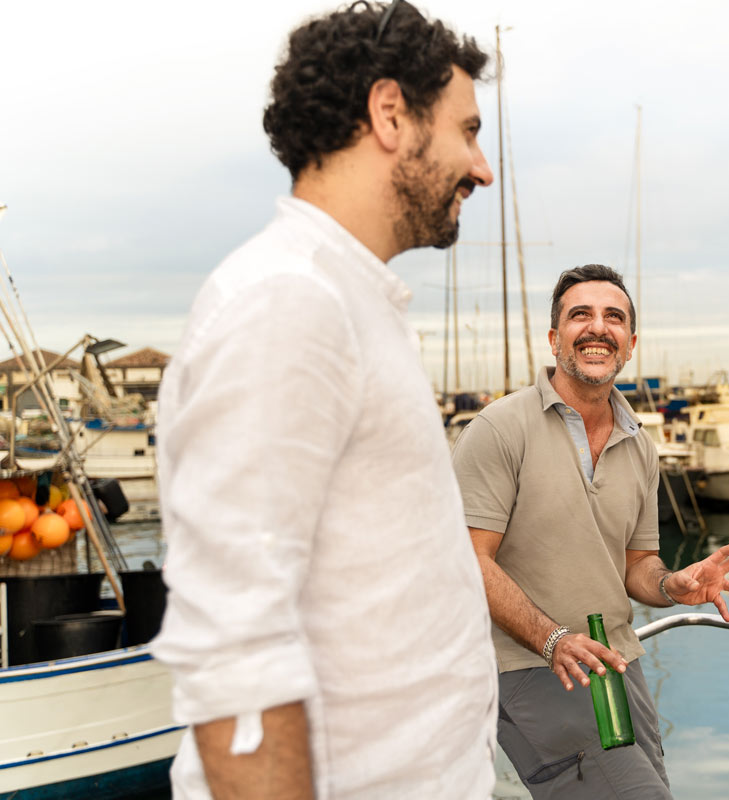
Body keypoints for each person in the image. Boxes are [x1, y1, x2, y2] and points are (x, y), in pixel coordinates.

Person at [151, 2, 498, 797]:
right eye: (468, 131)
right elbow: (235, 651)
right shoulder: (289, 302)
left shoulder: (351, 301)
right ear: (389, 114)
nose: (482, 169)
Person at [452, 264, 729, 799]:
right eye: (580, 316)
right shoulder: (499, 429)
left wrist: (674, 585)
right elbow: (466, 562)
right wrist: (553, 640)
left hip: (615, 662)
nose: (598, 328)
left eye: (613, 317)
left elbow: (635, 565)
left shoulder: (639, 442)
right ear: (554, 339)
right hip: (526, 663)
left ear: (630, 343)